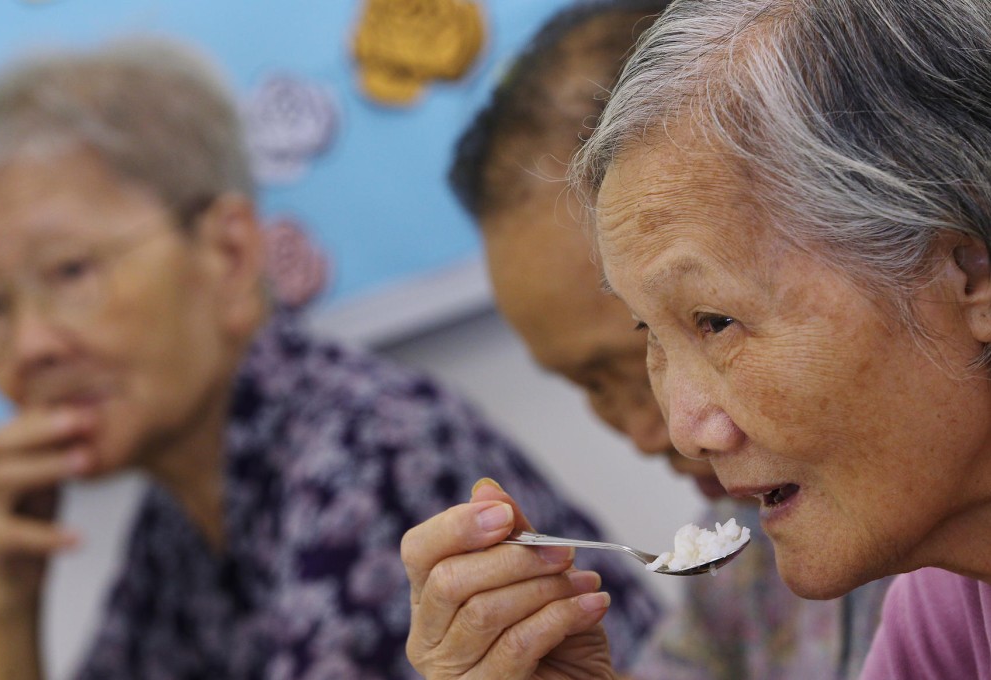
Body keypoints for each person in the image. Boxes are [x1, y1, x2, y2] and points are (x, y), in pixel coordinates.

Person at [0, 38, 662, 679]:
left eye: (68, 272)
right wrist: (11, 597)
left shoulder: (367, 446)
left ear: (230, 253)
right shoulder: (179, 515)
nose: (30, 346)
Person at [402, 0, 991, 678]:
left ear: (971, 275)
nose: (681, 431)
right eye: (648, 337)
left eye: (713, 322)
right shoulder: (945, 603)